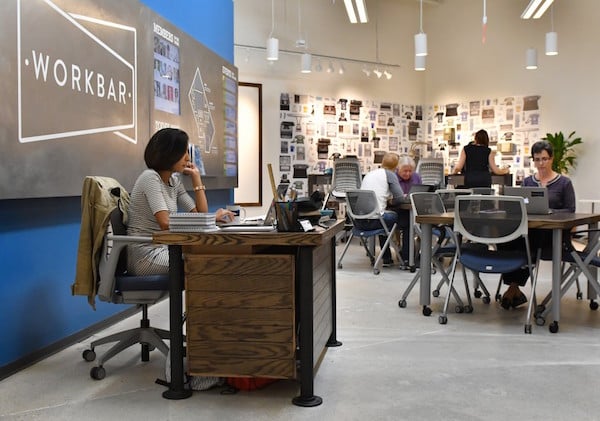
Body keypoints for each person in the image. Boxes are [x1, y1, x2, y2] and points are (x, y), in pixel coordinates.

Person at [127, 128, 234, 275]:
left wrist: (196, 177)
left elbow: (200, 214)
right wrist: (211, 218)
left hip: (166, 250)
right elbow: (165, 223)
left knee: (214, 259)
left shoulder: (174, 181)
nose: (188, 158)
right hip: (145, 256)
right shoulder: (150, 178)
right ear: (170, 154)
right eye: (184, 153)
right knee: (205, 263)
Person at [499, 140, 576, 309]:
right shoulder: (527, 182)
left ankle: (513, 289)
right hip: (530, 230)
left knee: (526, 242)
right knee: (507, 239)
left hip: (552, 235)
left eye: (545, 159)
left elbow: (571, 211)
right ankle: (514, 288)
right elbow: (520, 206)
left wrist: (550, 212)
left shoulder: (564, 183)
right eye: (537, 159)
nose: (541, 163)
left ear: (552, 159)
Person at [358, 152, 405, 267]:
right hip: (375, 221)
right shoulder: (390, 174)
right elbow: (399, 199)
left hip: (359, 221)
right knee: (404, 219)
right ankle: (406, 257)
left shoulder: (370, 174)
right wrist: (390, 202)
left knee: (382, 217)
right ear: (397, 166)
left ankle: (387, 258)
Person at [392, 155, 422, 266]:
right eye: (405, 171)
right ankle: (407, 257)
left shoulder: (416, 177)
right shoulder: (393, 178)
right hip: (397, 209)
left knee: (421, 224)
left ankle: (417, 255)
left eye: (410, 171)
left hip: (414, 209)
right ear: (398, 169)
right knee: (407, 223)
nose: (408, 174)